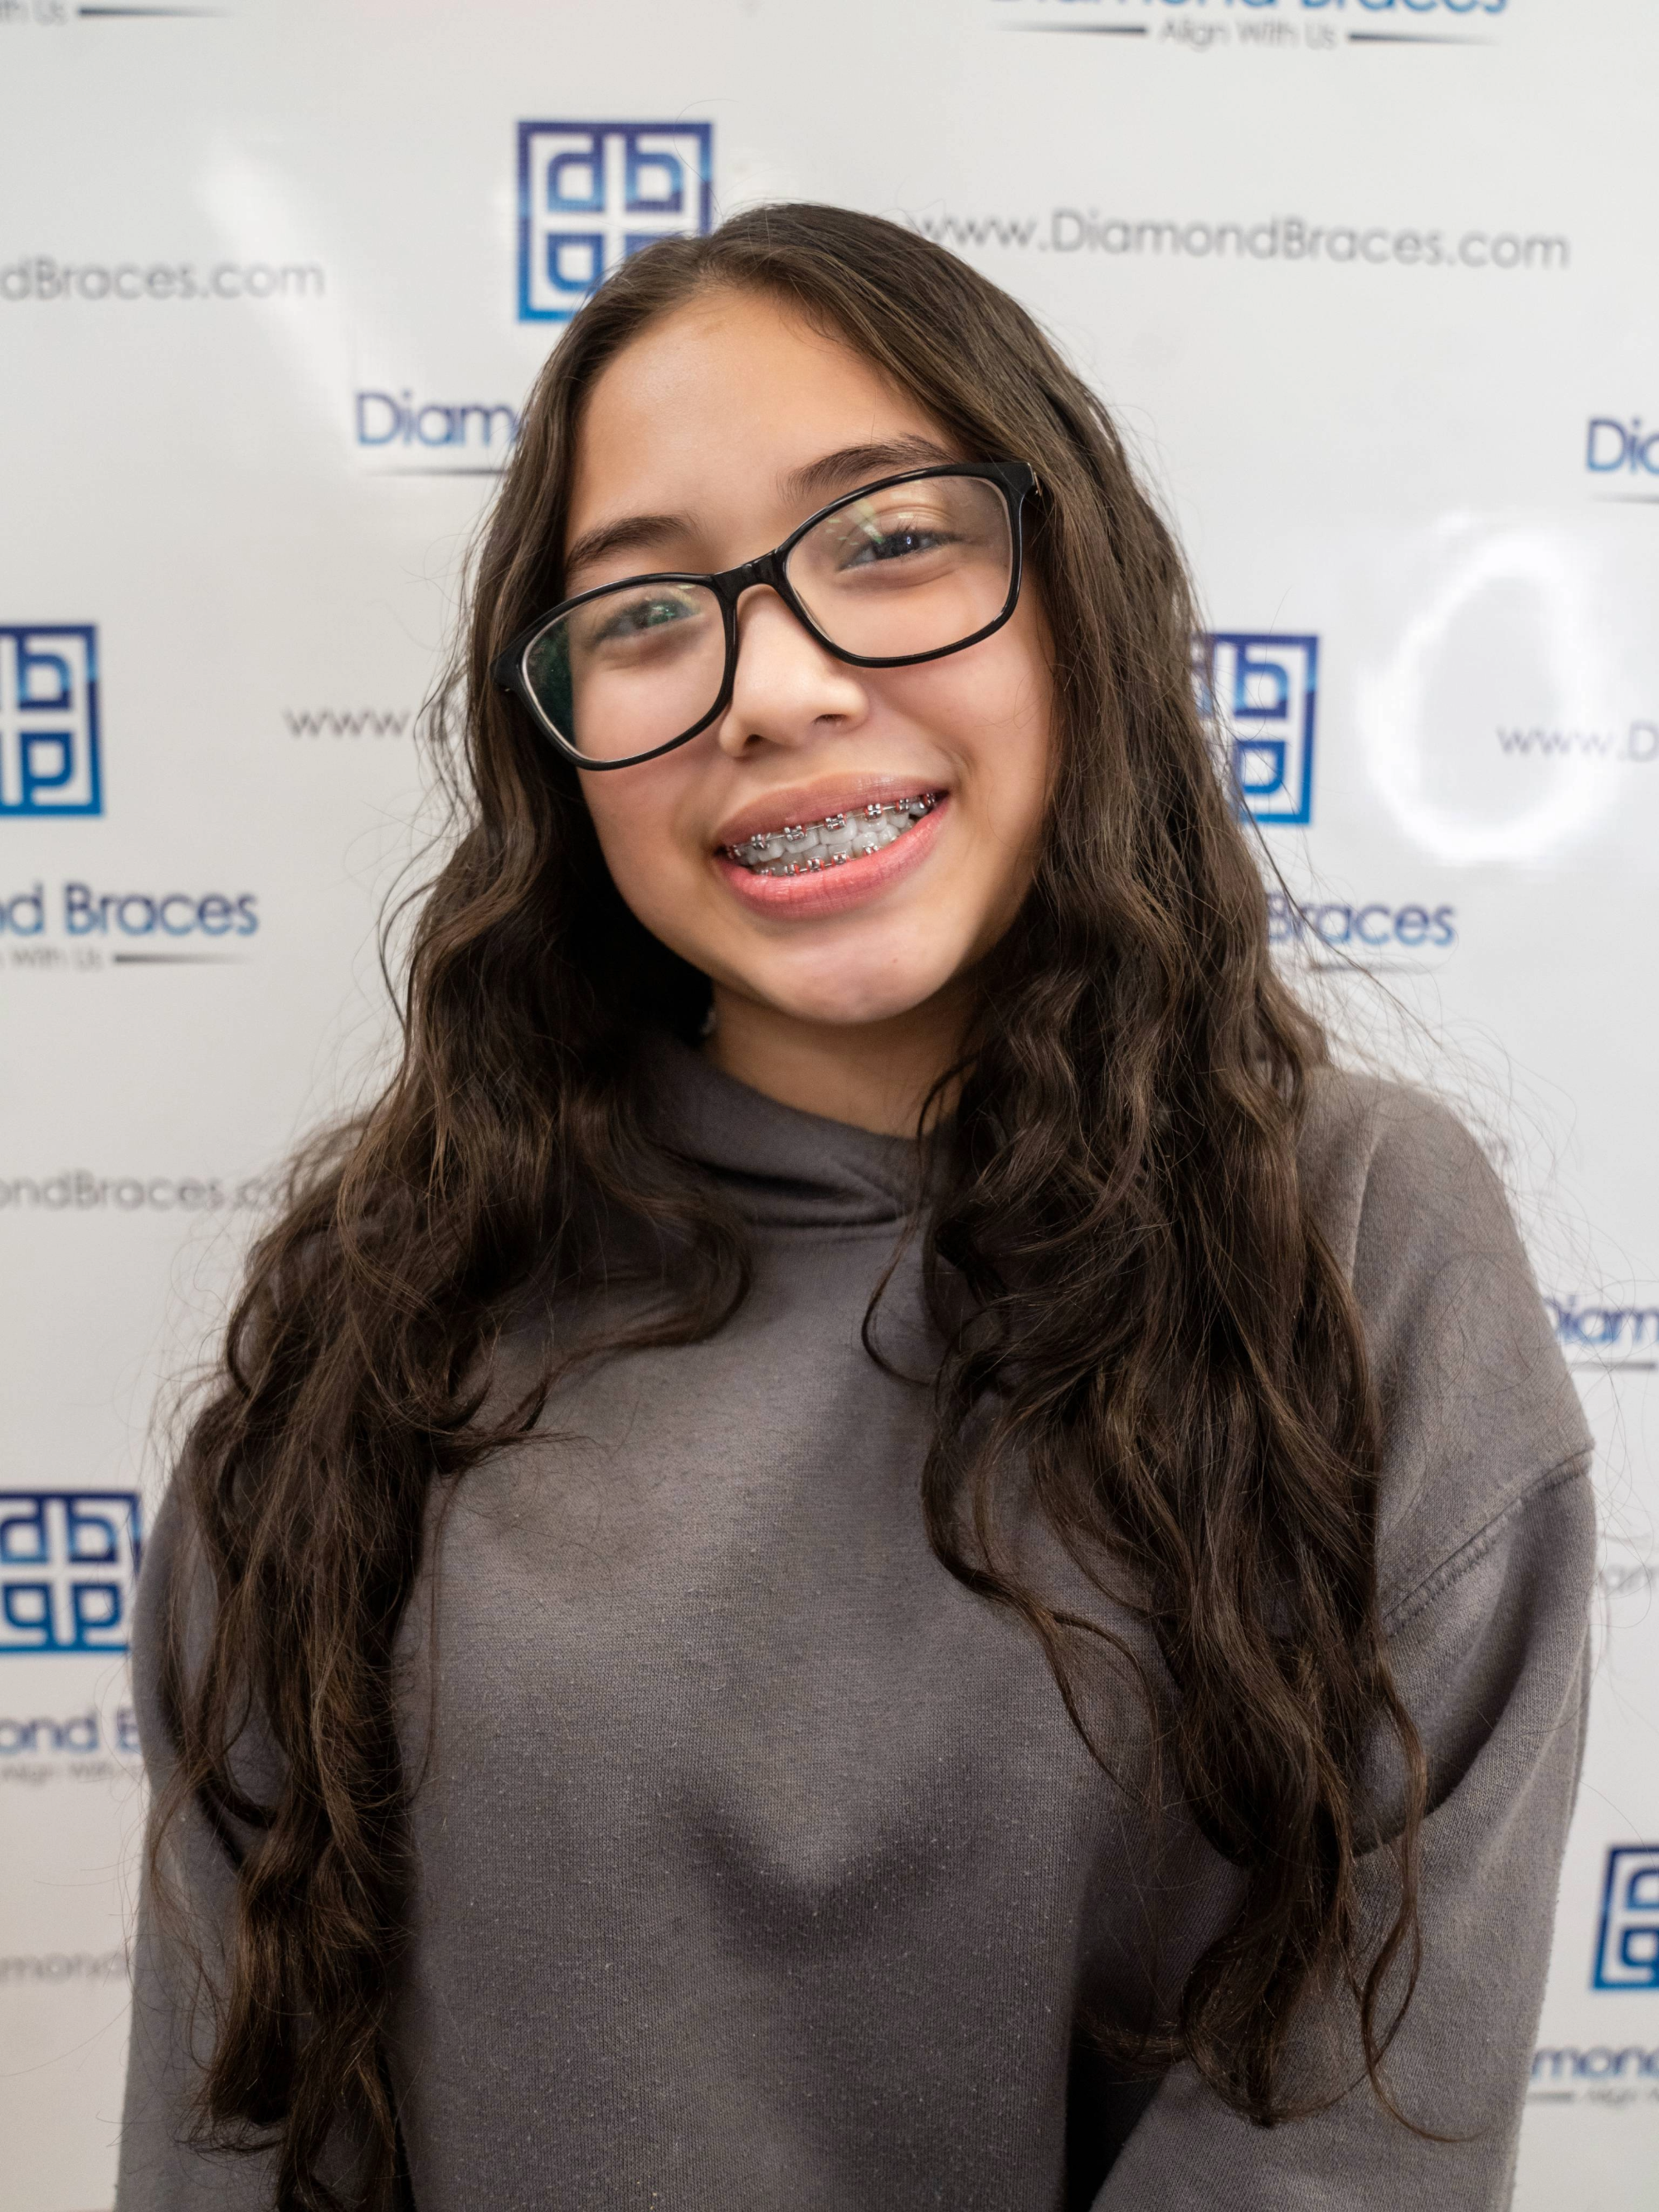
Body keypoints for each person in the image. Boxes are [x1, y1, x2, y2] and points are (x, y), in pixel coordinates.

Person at [116, 204, 1593, 2212]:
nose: (778, 686)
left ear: (1073, 592)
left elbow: (1343, 2153)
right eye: (646, 613)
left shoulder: (1354, 1245)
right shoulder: (373, 1322)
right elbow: (233, 2128)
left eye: (889, 540)